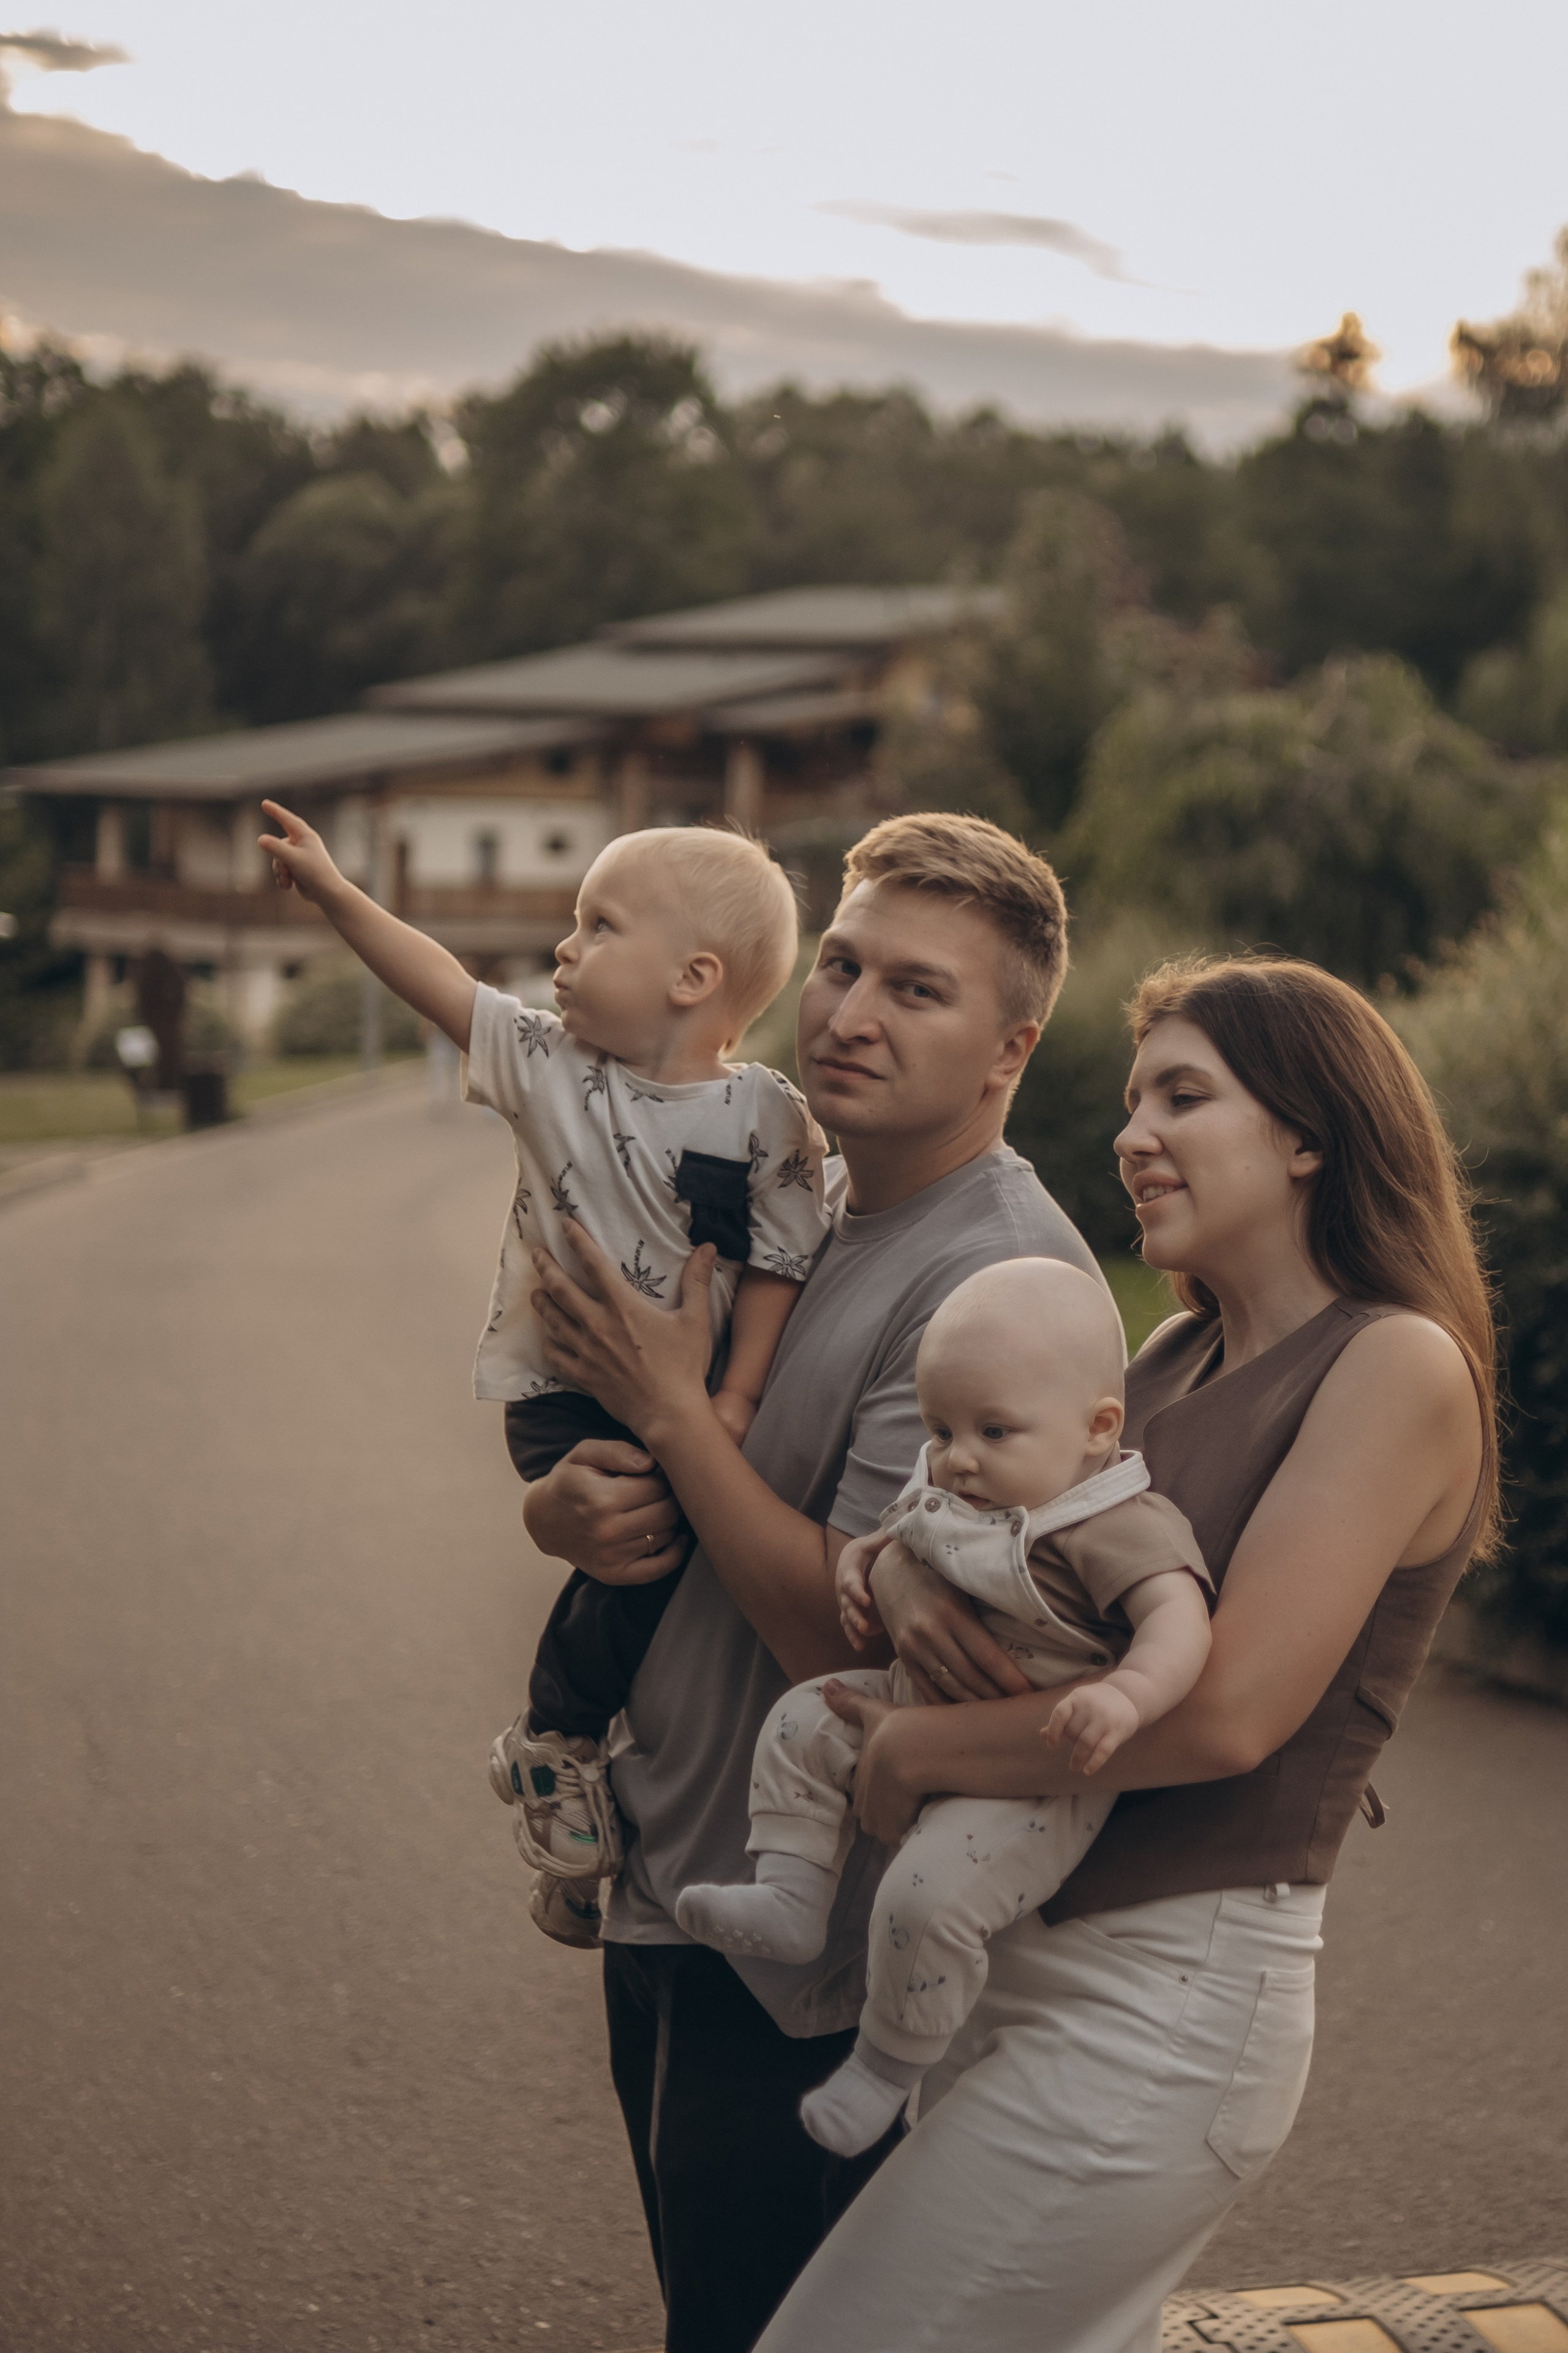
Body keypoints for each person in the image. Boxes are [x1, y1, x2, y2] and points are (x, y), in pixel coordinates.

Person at [751, 954, 1496, 2353]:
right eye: (1130, 1096)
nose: (1130, 1132)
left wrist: (910, 1746)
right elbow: (1011, 1560)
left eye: (1181, 1095)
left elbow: (1225, 1714)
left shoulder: (1392, 1365)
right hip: (1011, 1950)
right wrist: (905, 1589)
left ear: (1305, 1137)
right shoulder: (1162, 1362)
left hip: (1160, 2007)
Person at [519, 812, 1104, 2353]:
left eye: (915, 989)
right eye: (839, 965)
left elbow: (827, 1628)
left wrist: (661, 1408)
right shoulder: (809, 1202)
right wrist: (561, 1507)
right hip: (671, 1864)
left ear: (1008, 1047)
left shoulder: (1000, 1288)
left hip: (808, 1958)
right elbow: (692, 1498)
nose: (846, 1012)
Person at [255, 804, 830, 1947]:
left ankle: (591, 1822)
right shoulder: (548, 1066)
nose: (565, 950)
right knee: (648, 1555)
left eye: (598, 925)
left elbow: (777, 1267)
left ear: (694, 977)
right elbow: (439, 980)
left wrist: (736, 1400)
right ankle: (558, 1745)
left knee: (675, 1586)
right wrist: (333, 891)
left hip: (697, 1395)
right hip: (562, 1393)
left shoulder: (767, 1116)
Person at [676, 1255, 1213, 2159]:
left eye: (993, 1430)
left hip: (1033, 1767)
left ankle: (887, 2068)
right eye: (941, 1426)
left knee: (922, 1896)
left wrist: (1126, 1693)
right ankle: (792, 1890)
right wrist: (866, 1564)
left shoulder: (1116, 1521)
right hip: (913, 1701)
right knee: (803, 1721)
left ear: (1098, 1426)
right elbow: (905, 1527)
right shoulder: (964, 1474)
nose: (959, 1455)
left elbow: (1181, 1621)